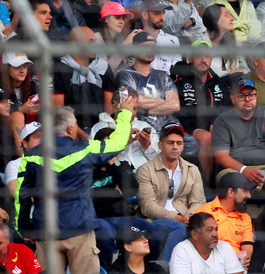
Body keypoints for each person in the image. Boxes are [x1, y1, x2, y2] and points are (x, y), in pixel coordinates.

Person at [16, 96, 137, 274]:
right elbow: (118, 143)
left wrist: (24, 227)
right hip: (80, 228)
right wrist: (124, 113)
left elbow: (22, 194)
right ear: (71, 128)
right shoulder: (86, 148)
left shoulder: (31, 155)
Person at [136, 122, 205, 258]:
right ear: (160, 145)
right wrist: (176, 218)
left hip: (186, 219)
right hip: (155, 220)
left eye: (179, 143)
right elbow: (148, 206)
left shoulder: (192, 169)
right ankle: (167, 268)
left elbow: (198, 201)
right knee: (178, 228)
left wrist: (189, 217)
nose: (175, 147)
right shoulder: (145, 170)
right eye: (170, 143)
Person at [211, 75, 265, 186]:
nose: (247, 99)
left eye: (251, 95)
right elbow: (220, 157)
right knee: (234, 181)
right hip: (235, 170)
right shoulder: (222, 120)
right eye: (241, 96)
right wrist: (244, 170)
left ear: (256, 96)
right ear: (232, 98)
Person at [169, 211, 245, 274]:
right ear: (195, 234)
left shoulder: (224, 246)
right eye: (210, 230)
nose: (215, 234)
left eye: (216, 229)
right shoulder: (182, 250)